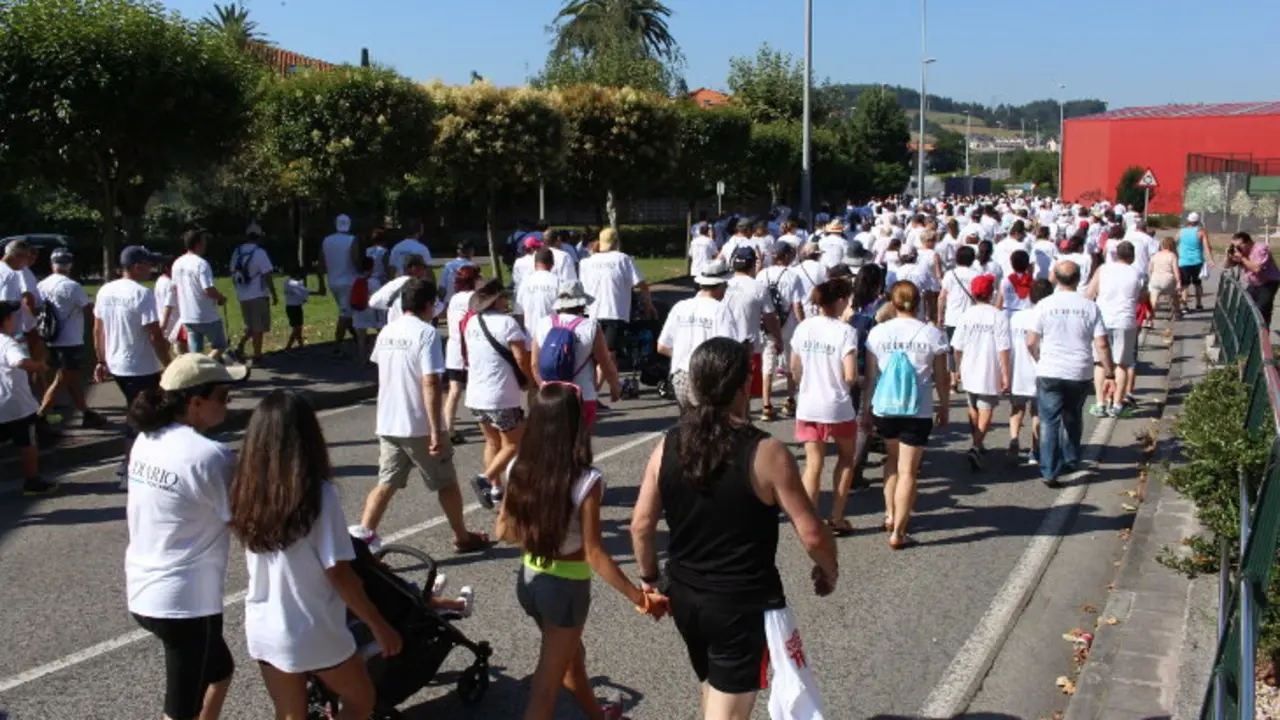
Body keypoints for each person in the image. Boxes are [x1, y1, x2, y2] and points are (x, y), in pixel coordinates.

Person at [630, 337, 838, 720]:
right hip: (739, 604)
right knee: (728, 712)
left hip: (686, 596)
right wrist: (829, 568)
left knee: (712, 688)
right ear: (746, 383)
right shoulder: (765, 452)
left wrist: (649, 580)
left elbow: (641, 525)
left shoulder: (669, 444)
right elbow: (811, 532)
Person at [493, 384, 662, 720]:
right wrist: (639, 597)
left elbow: (503, 530)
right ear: (576, 423)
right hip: (565, 589)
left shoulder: (516, 468)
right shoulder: (586, 480)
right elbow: (594, 552)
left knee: (571, 658)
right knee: (545, 690)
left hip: (529, 578)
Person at [230, 390, 401, 720]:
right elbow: (338, 572)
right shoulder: (318, 494)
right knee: (361, 699)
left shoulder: (246, 487)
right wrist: (378, 625)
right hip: (311, 626)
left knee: (290, 714)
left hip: (264, 622)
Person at [125, 353, 247, 720]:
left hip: (146, 584)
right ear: (195, 402)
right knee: (179, 710)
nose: (229, 404)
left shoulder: (147, 439)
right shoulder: (209, 456)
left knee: (220, 671)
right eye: (223, 396)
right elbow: (243, 521)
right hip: (181, 599)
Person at [349, 277, 491, 554]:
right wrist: (437, 429)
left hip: (389, 421)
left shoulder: (387, 331)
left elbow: (383, 369)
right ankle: (461, 535)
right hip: (418, 424)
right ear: (428, 305)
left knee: (386, 483)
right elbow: (430, 382)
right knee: (446, 482)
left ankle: (362, 540)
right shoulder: (426, 334)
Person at [864, 281, 951, 548]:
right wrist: (944, 405)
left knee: (891, 461)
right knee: (908, 470)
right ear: (918, 302)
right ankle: (899, 532)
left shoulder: (877, 333)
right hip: (917, 408)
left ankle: (890, 514)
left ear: (892, 302)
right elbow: (941, 376)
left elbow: (870, 376)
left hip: (885, 407)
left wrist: (866, 409)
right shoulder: (932, 334)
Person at [1027, 261, 1114, 487]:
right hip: (1079, 370)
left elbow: (1031, 342)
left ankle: (1049, 469)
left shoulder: (1044, 305)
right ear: (1078, 279)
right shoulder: (1090, 307)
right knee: (1073, 414)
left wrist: (1039, 358)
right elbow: (1102, 344)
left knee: (1049, 421)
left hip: (1050, 369)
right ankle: (1071, 456)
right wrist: (1110, 372)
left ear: (1055, 277)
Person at [95, 246, 173, 484]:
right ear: (137, 266)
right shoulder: (142, 294)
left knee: (136, 410)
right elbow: (154, 335)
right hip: (141, 365)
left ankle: (131, 461)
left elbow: (98, 329)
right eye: (149, 264)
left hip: (117, 362)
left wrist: (101, 360)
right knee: (144, 416)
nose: (152, 268)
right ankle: (132, 468)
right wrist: (168, 363)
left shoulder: (105, 290)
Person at [790, 277, 860, 534]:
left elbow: (794, 366)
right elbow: (850, 375)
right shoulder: (845, 331)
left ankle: (809, 520)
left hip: (809, 403)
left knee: (813, 463)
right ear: (841, 300)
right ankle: (837, 517)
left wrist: (803, 384)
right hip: (837, 404)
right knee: (845, 458)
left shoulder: (804, 328)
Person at [464, 279, 530, 510]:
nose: (507, 300)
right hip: (500, 393)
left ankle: (496, 488)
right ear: (497, 300)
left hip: (475, 393)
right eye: (504, 297)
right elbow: (521, 358)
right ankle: (485, 478)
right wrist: (529, 380)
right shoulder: (507, 323)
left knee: (492, 441)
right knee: (513, 443)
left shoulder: (472, 322)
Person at [531, 281, 621, 432]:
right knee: (580, 443)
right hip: (583, 393)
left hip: (550, 396)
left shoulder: (543, 323)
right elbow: (605, 362)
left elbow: (534, 364)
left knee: (552, 442)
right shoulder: (590, 326)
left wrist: (543, 386)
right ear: (581, 303)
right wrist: (614, 386)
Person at [35, 248, 105, 427]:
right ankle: (39, 416)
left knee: (72, 378)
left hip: (49, 338)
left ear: (52, 264)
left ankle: (86, 413)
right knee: (63, 379)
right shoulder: (73, 286)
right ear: (70, 265)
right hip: (70, 341)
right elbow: (89, 310)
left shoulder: (42, 285)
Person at [580, 228, 655, 393]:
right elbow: (641, 284)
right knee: (607, 355)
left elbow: (583, 287)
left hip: (592, 312)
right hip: (615, 311)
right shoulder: (623, 259)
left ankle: (614, 389)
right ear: (616, 242)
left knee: (602, 355)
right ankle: (592, 393)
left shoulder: (586, 262)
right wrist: (648, 304)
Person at [657, 259, 736, 410]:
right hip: (706, 377)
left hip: (680, 376)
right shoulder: (720, 310)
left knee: (688, 425)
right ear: (720, 285)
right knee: (708, 425)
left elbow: (662, 346)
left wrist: (683, 355)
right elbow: (728, 350)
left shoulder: (680, 307)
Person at [952, 274, 1012, 471]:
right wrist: (1005, 374)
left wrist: (957, 369)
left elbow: (957, 347)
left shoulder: (966, 315)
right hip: (989, 368)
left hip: (969, 367)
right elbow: (1004, 348)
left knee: (973, 406)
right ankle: (977, 445)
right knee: (986, 408)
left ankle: (977, 442)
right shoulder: (998, 315)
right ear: (991, 292)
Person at [1, 301, 54, 495]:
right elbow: (19, 361)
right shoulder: (7, 343)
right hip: (16, 405)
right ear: (6, 320)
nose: (15, 319)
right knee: (27, 443)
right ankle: (32, 481)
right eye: (13, 316)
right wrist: (39, 366)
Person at [1087, 241, 1143, 417]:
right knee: (1122, 363)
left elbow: (1090, 293)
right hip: (1125, 320)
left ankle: (1100, 403)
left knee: (1100, 362)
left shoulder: (1103, 269)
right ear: (1132, 256)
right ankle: (1117, 405)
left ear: (1116, 255)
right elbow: (1142, 297)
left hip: (1102, 318)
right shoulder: (1137, 273)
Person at [723, 246, 781, 412]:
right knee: (745, 394)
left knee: (728, 392)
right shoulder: (758, 287)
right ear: (752, 265)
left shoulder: (722, 285)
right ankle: (742, 425)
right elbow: (770, 318)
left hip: (724, 347)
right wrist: (778, 339)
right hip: (749, 349)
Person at [757, 242, 805, 420]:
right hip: (789, 325)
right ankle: (790, 400)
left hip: (768, 324)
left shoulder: (762, 274)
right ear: (785, 257)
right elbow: (797, 304)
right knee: (790, 362)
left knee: (768, 363)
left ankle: (766, 405)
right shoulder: (793, 276)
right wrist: (803, 324)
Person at [1009, 280, 1052, 465]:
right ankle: (1034, 451)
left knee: (1017, 409)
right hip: (1038, 370)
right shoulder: (1047, 317)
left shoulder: (1016, 317)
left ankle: (1014, 439)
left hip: (1017, 369)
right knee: (1037, 412)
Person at [173, 229, 229, 360]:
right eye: (204, 241)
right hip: (206, 315)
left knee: (195, 352)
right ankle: (206, 366)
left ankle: (198, 370)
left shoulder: (177, 263)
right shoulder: (201, 264)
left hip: (187, 315)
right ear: (198, 244)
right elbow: (208, 290)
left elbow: (176, 288)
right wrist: (221, 297)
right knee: (220, 346)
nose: (205, 244)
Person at [229, 223, 278, 365]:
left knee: (250, 326)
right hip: (258, 294)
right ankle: (257, 356)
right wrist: (274, 294)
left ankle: (240, 346)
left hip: (242, 295)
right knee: (259, 328)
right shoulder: (260, 252)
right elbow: (267, 274)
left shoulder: (237, 251)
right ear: (259, 237)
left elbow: (232, 271)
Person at [444, 265, 481, 445]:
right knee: (476, 387)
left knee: (454, 390)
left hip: (454, 347)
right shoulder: (474, 298)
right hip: (469, 347)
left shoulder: (454, 298)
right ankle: (484, 423)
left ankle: (448, 428)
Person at [319, 214, 361, 354]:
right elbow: (355, 259)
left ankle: (355, 337)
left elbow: (321, 262)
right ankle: (337, 345)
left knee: (346, 311)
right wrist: (362, 271)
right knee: (344, 314)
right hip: (349, 281)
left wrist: (321, 282)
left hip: (333, 281)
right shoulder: (351, 240)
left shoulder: (326, 240)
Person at [1226, 231, 1280, 327]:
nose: (1237, 249)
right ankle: (1247, 333)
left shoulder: (1260, 249)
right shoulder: (1243, 252)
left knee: (1261, 310)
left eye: (1238, 246)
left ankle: (1262, 336)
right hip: (1254, 283)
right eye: (1234, 246)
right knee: (1244, 306)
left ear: (1248, 243)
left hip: (1268, 283)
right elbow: (1228, 266)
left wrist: (1242, 258)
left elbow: (1256, 269)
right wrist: (1230, 256)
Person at [368, 254, 431, 324]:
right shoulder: (421, 285)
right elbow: (438, 310)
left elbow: (373, 302)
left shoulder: (393, 283)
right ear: (414, 268)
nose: (425, 271)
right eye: (424, 267)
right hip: (415, 330)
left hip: (394, 330)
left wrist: (391, 307)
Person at [516, 248, 561, 336]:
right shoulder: (557, 281)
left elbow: (519, 311)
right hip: (552, 336)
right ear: (552, 264)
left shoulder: (525, 282)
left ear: (535, 264)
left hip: (530, 335)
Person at [1176, 212, 1214, 311]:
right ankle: (1199, 304)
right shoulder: (1201, 232)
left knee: (1185, 285)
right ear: (1197, 221)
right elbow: (1207, 247)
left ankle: (1185, 306)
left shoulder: (1181, 231)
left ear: (1188, 220)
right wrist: (1210, 259)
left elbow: (1174, 243)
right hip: (1197, 261)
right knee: (1198, 283)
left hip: (1183, 261)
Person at [350, 255, 385, 362]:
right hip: (372, 310)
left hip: (359, 310)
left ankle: (362, 358)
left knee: (361, 337)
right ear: (372, 267)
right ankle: (378, 357)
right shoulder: (374, 281)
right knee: (381, 332)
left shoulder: (354, 280)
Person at [282, 266, 325, 351]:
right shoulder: (296, 284)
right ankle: (288, 347)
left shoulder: (286, 282)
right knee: (297, 328)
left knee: (298, 327)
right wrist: (319, 291)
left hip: (289, 307)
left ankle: (300, 344)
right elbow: (308, 292)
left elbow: (300, 292)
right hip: (295, 308)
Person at [155, 256, 187, 355]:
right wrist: (163, 326)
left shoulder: (159, 281)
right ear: (168, 268)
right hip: (174, 324)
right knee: (183, 353)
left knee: (166, 352)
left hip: (163, 320)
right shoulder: (171, 284)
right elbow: (168, 306)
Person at [1147, 235, 1183, 321]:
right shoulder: (1172, 255)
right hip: (1168, 280)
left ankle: (1150, 315)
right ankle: (1177, 312)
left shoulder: (1155, 255)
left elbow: (1150, 269)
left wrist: (1151, 277)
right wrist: (1178, 281)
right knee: (1174, 296)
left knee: (1154, 297)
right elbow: (1175, 270)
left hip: (1156, 279)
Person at [440, 241, 479, 306]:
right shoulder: (474, 267)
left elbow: (442, 289)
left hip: (450, 304)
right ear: (472, 251)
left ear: (458, 251)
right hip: (469, 303)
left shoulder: (448, 266)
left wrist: (441, 304)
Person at [1000, 250, 1035, 318]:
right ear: (1027, 264)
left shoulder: (1005, 281)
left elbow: (999, 304)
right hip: (1026, 316)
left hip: (1008, 314)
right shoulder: (1033, 283)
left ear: (1011, 264)